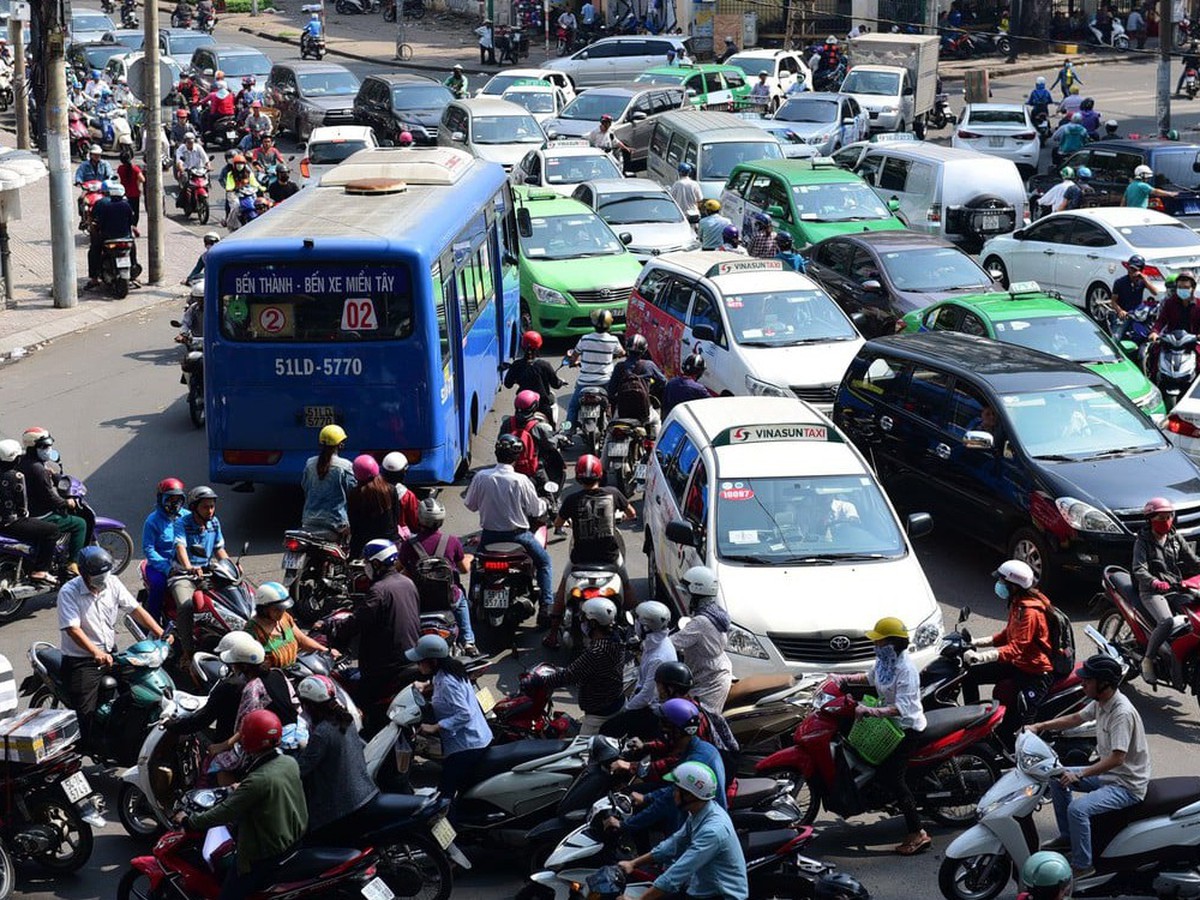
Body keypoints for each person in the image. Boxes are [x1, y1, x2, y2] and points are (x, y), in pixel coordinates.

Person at [1028, 654, 1149, 879]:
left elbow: (1117, 759)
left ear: (1103, 683)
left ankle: (1083, 865)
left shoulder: (1120, 713)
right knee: (1057, 777)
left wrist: (1081, 773)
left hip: (1126, 785)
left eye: (1087, 680)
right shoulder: (1102, 702)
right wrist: (1039, 726)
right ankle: (1068, 838)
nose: (1082, 683)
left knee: (1078, 809)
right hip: (1110, 775)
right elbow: (1076, 718)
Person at [185, 709, 308, 900]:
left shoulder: (258, 780)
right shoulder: (288, 762)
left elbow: (224, 813)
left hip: (264, 855)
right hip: (293, 841)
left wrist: (190, 821)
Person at [835, 616, 931, 855]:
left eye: (880, 642)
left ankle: (918, 832)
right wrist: (840, 678)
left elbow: (903, 708)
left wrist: (870, 710)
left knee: (893, 778)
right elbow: (868, 678)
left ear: (893, 644)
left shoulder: (905, 670)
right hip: (888, 725)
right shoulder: (885, 662)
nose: (875, 646)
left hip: (906, 728)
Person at [60, 547, 165, 749]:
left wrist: (161, 633)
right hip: (82, 661)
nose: (102, 580)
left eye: (105, 575)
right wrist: (96, 653)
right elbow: (73, 629)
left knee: (140, 689)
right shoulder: (68, 592)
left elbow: (135, 609)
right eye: (97, 576)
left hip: (111, 654)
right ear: (83, 573)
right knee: (85, 715)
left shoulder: (113, 583)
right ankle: (87, 748)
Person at [616, 761, 748, 900]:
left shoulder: (713, 831)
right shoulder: (700, 812)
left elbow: (678, 872)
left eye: (676, 789)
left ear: (689, 795)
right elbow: (673, 844)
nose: (673, 793)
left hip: (720, 896)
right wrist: (633, 864)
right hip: (700, 886)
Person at [545, 455, 637, 648]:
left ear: (578, 478)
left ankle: (553, 635)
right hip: (610, 560)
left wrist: (568, 523)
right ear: (600, 474)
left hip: (580, 560)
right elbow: (632, 514)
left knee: (562, 590)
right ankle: (636, 631)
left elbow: (558, 524)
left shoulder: (572, 500)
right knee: (627, 586)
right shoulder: (613, 493)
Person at [320, 538, 418, 719]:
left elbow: (357, 622)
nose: (365, 566)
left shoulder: (379, 590)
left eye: (367, 562)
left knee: (355, 706)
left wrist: (331, 625)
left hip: (384, 667)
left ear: (376, 563)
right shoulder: (407, 583)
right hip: (409, 657)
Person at [961, 559, 1055, 744]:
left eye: (1003, 582)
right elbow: (1007, 635)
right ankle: (974, 722)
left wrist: (979, 657)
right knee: (969, 676)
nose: (999, 585)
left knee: (1019, 724)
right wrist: (976, 643)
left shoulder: (1029, 612)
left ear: (1014, 586)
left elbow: (1016, 648)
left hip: (1035, 673)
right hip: (1018, 665)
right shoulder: (1017, 603)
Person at [464, 433, 554, 622]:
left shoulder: (481, 477)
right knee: (544, 563)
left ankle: (471, 602)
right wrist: (546, 503)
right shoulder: (521, 480)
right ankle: (546, 605)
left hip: (489, 537)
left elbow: (470, 505)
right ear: (517, 456)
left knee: (476, 567)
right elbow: (536, 509)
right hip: (518, 536)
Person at [406, 634, 492, 803]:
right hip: (478, 737)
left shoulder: (447, 682)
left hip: (467, 746)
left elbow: (465, 713)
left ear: (434, 661)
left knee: (444, 796)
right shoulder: (450, 669)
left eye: (420, 661)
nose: (417, 665)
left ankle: (449, 827)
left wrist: (436, 727)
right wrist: (426, 685)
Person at [294, 674, 378, 839]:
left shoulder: (322, 733)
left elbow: (301, 769)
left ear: (309, 705)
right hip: (364, 791)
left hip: (341, 806)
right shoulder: (346, 719)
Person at [525, 597, 625, 734]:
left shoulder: (597, 651)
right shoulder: (615, 639)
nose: (582, 623)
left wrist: (539, 681)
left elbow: (569, 676)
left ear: (594, 624)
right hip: (614, 701)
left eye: (584, 620)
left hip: (599, 715)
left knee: (583, 752)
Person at [1132, 496, 1200, 684]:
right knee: (1166, 621)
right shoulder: (1142, 541)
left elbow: (1193, 562)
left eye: (1169, 516)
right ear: (1150, 519)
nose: (1166, 521)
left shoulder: (1175, 538)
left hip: (1175, 588)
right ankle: (1148, 659)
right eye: (1161, 517)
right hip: (1152, 591)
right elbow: (1139, 569)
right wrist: (1154, 582)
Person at [398, 496, 477, 656]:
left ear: (420, 518)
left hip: (420, 600)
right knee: (461, 598)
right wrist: (470, 558)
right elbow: (463, 570)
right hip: (447, 599)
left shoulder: (409, 544)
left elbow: (400, 568)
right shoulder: (452, 541)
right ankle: (468, 641)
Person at [172, 485, 230, 666]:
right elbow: (180, 547)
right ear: (195, 507)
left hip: (208, 572)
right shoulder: (182, 523)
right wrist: (189, 566)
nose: (210, 510)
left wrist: (230, 566)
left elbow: (219, 549)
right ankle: (188, 652)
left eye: (212, 506)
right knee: (186, 606)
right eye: (206, 507)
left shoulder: (214, 522)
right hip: (183, 574)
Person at [599, 601, 675, 737]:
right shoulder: (659, 642)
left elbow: (647, 695)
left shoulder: (658, 657)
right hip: (646, 701)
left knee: (607, 730)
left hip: (651, 710)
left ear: (646, 627)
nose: (635, 625)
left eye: (637, 622)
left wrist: (626, 710)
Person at [18, 428, 86, 566]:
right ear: (33, 447)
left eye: (49, 445)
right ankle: (73, 563)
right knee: (80, 524)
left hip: (25, 509)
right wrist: (67, 503)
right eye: (44, 446)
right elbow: (50, 498)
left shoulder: (22, 461)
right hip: (40, 514)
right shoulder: (38, 469)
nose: (48, 449)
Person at [670, 566, 732, 713]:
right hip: (710, 674)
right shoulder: (715, 613)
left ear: (697, 594)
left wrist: (649, 642)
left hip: (710, 684)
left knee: (694, 721)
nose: (685, 598)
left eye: (687, 594)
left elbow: (672, 643)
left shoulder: (701, 622)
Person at [0, 439, 57, 584]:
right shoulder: (16, 476)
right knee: (52, 530)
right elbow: (23, 506)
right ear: (16, 458)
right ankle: (41, 570)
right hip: (12, 522)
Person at [565, 308, 624, 430]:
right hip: (605, 382)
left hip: (584, 382)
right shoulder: (613, 340)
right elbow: (622, 353)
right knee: (614, 403)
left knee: (572, 408)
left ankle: (567, 431)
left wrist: (574, 362)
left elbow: (574, 355)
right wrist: (614, 355)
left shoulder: (585, 338)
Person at [245, 581, 325, 669]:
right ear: (264, 609)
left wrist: (325, 651)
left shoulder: (284, 618)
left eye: (283, 608)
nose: (281, 612)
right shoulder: (252, 631)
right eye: (277, 609)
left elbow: (302, 640)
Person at [141, 477, 187, 620]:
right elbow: (148, 549)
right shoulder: (152, 521)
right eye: (170, 499)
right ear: (161, 498)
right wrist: (167, 568)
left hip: (185, 563)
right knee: (159, 585)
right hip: (159, 566)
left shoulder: (188, 516)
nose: (174, 503)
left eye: (177, 499)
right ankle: (152, 626)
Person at [300, 424, 355, 536]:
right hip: (337, 523)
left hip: (308, 520)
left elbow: (305, 487)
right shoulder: (345, 466)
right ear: (340, 445)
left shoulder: (310, 463)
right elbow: (353, 492)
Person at [504, 330, 566, 424]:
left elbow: (508, 384)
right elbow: (555, 384)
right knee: (551, 427)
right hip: (542, 405)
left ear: (523, 346)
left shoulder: (517, 365)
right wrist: (561, 382)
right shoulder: (544, 365)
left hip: (523, 407)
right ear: (538, 347)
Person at [500, 389, 559, 487]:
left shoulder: (507, 423)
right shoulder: (539, 427)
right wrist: (558, 438)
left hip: (508, 468)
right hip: (533, 471)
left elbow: (500, 440)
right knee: (549, 493)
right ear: (534, 407)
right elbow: (551, 444)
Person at [606, 332, 665, 426]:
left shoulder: (619, 367)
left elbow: (611, 391)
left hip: (622, 412)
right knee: (657, 421)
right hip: (644, 413)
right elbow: (663, 381)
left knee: (610, 430)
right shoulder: (649, 365)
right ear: (644, 350)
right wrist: (650, 389)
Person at [346, 454, 396, 558]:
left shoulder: (354, 494)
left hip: (361, 545)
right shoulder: (390, 490)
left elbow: (353, 524)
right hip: (387, 543)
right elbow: (395, 518)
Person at [1109, 254, 1163, 341]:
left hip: (1138, 314)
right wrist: (1120, 311)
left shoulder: (1142, 281)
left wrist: (1144, 279)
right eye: (1131, 269)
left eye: (1135, 269)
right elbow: (1113, 301)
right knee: (1116, 337)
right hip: (1125, 315)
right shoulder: (1120, 282)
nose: (1132, 272)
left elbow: (1155, 292)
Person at [1150, 269, 1200, 339]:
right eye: (1179, 287)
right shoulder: (1170, 303)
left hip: (1193, 343)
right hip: (1171, 342)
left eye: (1186, 287)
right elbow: (1161, 320)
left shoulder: (1198, 305)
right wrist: (1154, 332)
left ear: (1193, 288)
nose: (1182, 290)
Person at [380, 451, 420, 536]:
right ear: (404, 473)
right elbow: (414, 522)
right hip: (400, 535)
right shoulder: (407, 495)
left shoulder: (372, 490)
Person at [662, 353, 709, 418]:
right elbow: (711, 406)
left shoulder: (671, 382)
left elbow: (664, 405)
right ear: (699, 372)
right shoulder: (700, 389)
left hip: (669, 421)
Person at [116, 149, 144, 227]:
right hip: (135, 194)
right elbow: (142, 179)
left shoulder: (120, 168)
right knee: (135, 212)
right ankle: (134, 226)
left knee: (126, 211)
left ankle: (127, 226)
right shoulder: (135, 168)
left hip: (124, 193)